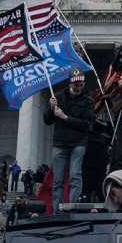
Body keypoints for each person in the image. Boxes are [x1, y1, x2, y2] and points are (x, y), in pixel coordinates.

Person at [44, 69, 95, 211]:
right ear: (70, 83)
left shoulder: (88, 101)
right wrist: (51, 107)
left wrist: (65, 117)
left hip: (78, 143)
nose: (78, 87)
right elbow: (47, 120)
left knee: (75, 175)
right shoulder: (58, 97)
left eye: (81, 84)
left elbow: (87, 125)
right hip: (60, 143)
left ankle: (73, 207)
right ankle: (57, 210)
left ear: (84, 83)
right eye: (76, 85)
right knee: (58, 180)